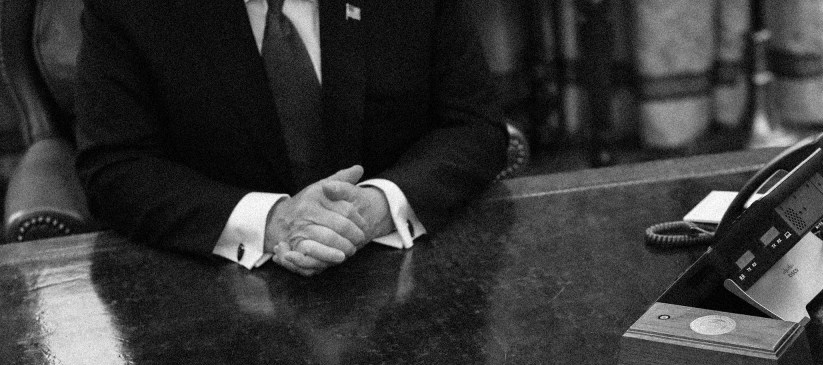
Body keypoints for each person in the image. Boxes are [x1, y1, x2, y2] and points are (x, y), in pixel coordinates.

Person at [75, 0, 509, 276]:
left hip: (403, 271)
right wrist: (274, 222)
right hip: (212, 293)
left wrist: (375, 207)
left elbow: (473, 124)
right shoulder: (126, 9)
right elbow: (116, 168)